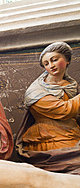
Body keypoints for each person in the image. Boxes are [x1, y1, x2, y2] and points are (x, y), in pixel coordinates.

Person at [16, 42, 80, 174]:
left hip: (73, 134)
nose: (51, 65)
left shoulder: (70, 85)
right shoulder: (36, 91)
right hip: (48, 138)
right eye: (46, 63)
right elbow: (64, 110)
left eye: (54, 60)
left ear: (67, 60)